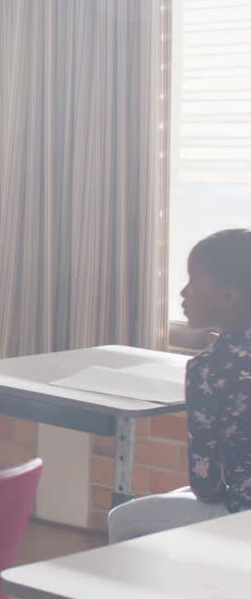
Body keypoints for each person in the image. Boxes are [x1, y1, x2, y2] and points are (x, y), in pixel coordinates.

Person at [108, 228, 251, 543]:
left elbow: (208, 487)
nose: (183, 293)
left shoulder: (211, 368)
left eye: (193, 282)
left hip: (242, 516)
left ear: (228, 296)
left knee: (122, 520)